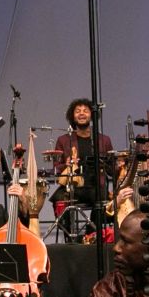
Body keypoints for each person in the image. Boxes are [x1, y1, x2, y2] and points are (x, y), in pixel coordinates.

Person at [52, 99, 116, 232]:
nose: (82, 114)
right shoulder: (63, 140)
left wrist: (111, 164)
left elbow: (112, 170)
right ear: (72, 116)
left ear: (92, 115)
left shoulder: (104, 140)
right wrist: (67, 164)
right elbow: (56, 168)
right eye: (78, 111)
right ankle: (69, 236)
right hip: (72, 186)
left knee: (102, 199)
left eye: (85, 111)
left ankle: (91, 233)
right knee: (58, 198)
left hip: (95, 186)